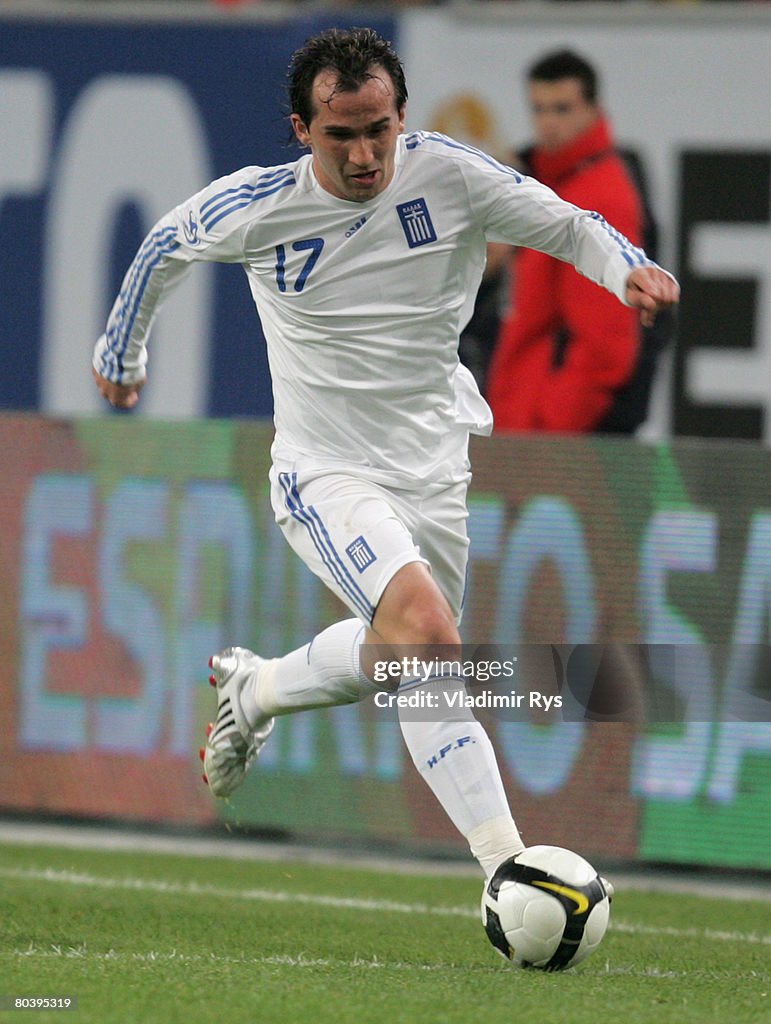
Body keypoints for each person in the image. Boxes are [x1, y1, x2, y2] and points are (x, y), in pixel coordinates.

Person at [92, 28, 678, 887]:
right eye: (341, 134)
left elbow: (565, 223)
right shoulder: (256, 206)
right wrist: (121, 354)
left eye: (380, 128)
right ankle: (509, 871)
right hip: (324, 469)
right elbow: (160, 250)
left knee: (402, 653)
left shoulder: (450, 174)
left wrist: (626, 268)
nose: (366, 154)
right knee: (430, 642)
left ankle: (257, 691)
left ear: (401, 114)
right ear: (301, 130)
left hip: (434, 466)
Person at [487, 49, 671, 433]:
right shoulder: (552, 183)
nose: (548, 122)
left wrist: (548, 430)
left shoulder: (601, 195)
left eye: (562, 109)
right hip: (530, 422)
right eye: (539, 109)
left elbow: (605, 348)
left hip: (555, 435)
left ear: (592, 109)